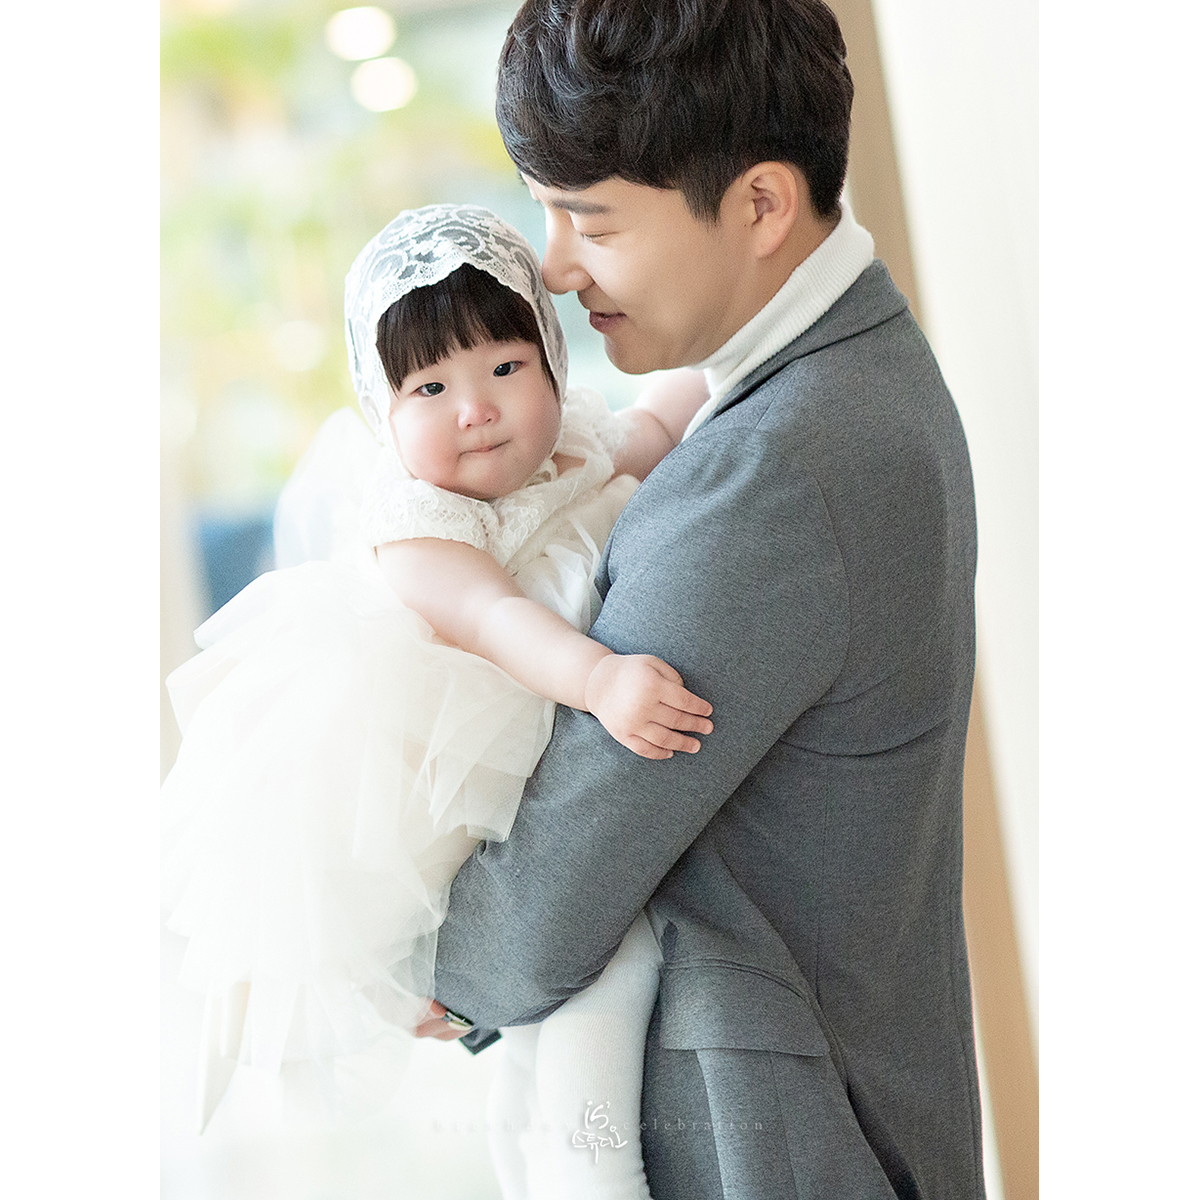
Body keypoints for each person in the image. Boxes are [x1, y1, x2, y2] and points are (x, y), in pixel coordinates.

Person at [421, 2, 986, 1197]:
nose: (555, 267)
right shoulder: (863, 371)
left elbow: (575, 851)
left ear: (761, 204)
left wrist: (430, 966)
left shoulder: (776, 471)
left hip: (776, 1143)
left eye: (592, 219)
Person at [162, 203, 712, 1198]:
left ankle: (544, 1154)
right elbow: (496, 619)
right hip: (426, 799)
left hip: (522, 790)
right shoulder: (415, 527)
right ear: (382, 407)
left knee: (577, 988)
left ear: (552, 362)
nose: (476, 407)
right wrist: (599, 679)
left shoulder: (571, 446)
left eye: (505, 365)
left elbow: (658, 423)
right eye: (430, 386)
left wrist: (729, 352)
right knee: (605, 964)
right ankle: (590, 1168)